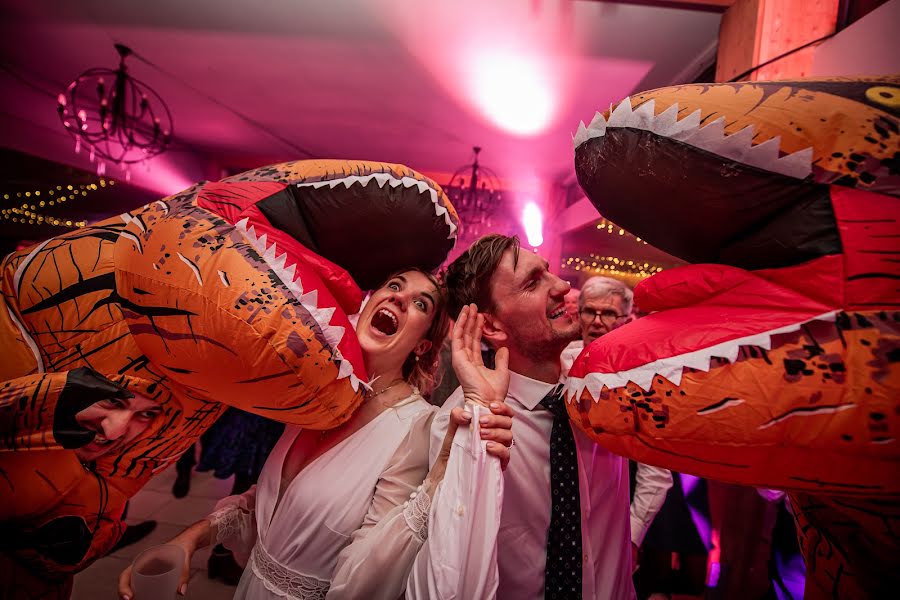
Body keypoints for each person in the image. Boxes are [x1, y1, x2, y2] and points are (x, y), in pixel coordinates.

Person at [118, 268, 514, 600]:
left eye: (420, 303)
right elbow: (268, 509)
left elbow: (369, 575)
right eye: (394, 285)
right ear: (366, 304)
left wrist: (445, 468)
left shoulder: (414, 427)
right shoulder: (320, 395)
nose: (399, 298)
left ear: (422, 344)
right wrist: (190, 540)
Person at [409, 234, 635, 599]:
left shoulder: (606, 389)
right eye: (533, 283)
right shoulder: (467, 425)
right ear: (493, 327)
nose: (563, 286)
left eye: (548, 272)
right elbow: (451, 569)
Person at [560, 276, 673, 574]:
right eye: (589, 311)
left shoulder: (643, 376)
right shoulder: (557, 362)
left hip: (609, 518)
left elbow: (656, 473)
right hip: (553, 513)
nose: (597, 321)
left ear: (626, 319)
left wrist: (632, 537)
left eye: (608, 313)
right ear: (578, 313)